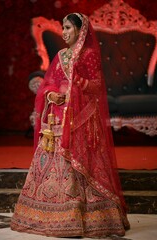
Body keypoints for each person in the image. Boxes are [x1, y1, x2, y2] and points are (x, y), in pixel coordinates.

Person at [11, 13, 130, 238]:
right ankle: (47, 213)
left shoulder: (89, 55)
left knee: (79, 162)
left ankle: (83, 215)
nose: (64, 33)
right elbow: (50, 83)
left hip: (81, 117)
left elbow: (96, 86)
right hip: (58, 116)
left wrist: (77, 83)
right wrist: (52, 94)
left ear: (80, 30)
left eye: (67, 28)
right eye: (63, 28)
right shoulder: (60, 55)